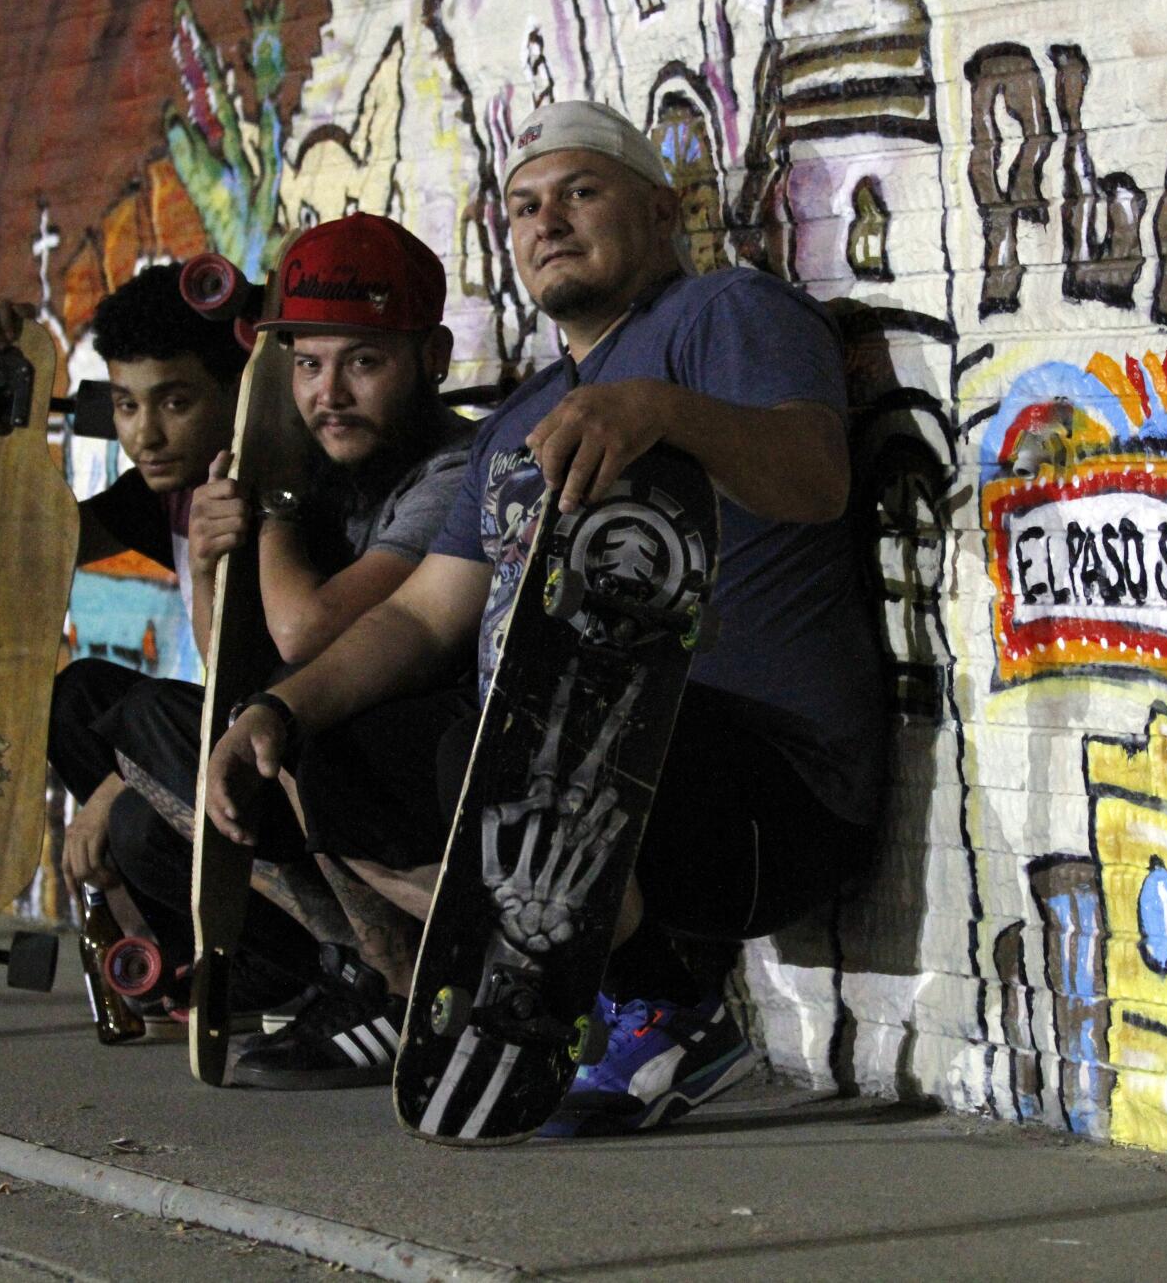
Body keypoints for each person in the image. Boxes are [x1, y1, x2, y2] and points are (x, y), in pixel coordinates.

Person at [207, 99, 885, 1132]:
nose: (547, 221)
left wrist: (663, 412)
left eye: (579, 193)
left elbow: (815, 476)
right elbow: (422, 620)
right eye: (524, 206)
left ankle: (661, 1003)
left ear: (661, 214)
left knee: (513, 747)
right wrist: (276, 712)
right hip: (573, 771)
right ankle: (582, 979)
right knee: (334, 755)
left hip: (763, 786)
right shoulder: (522, 416)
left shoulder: (726, 315)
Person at [28, 217, 476, 1051]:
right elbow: (228, 672)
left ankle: (394, 979)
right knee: (137, 716)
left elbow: (308, 635)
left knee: (270, 741)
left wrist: (268, 501)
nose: (329, 393)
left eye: (363, 362)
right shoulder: (319, 465)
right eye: (308, 364)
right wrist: (206, 564)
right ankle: (337, 966)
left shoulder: (450, 469)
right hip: (320, 754)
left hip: (410, 764)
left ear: (432, 359)